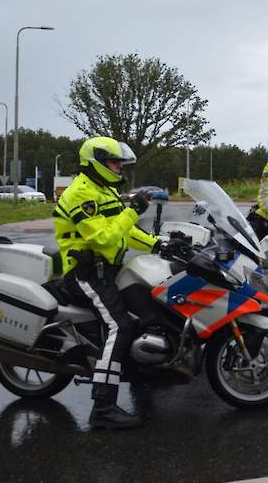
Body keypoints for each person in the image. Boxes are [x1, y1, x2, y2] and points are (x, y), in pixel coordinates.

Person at [53, 136, 159, 430]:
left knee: (144, 312)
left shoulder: (105, 191)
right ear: (96, 162)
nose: (118, 168)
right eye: (114, 162)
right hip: (84, 272)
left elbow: (123, 232)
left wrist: (159, 244)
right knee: (120, 326)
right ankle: (103, 406)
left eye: (119, 163)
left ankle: (142, 375)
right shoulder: (80, 194)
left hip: (106, 270)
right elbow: (103, 238)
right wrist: (132, 211)